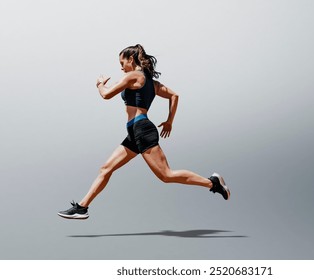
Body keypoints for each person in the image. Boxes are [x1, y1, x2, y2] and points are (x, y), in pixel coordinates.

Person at [58, 44, 230, 219]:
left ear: (131, 60)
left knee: (166, 175)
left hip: (142, 130)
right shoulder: (151, 83)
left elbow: (106, 95)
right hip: (134, 133)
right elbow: (174, 96)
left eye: (122, 62)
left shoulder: (133, 76)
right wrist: (169, 121)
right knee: (106, 168)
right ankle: (82, 208)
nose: (120, 67)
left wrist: (100, 84)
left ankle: (212, 183)